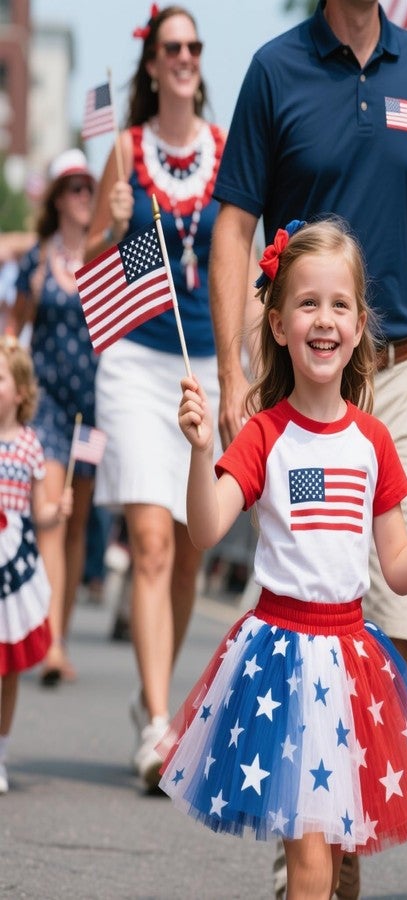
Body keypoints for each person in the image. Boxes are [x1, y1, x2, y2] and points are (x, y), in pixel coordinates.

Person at [159, 218, 407, 900]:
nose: (323, 320)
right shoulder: (266, 433)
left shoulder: (374, 442)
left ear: (360, 325)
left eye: (338, 306)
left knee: (325, 860)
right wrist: (197, 449)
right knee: (307, 862)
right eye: (306, 304)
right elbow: (207, 528)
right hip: (280, 659)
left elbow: (398, 566)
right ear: (276, 324)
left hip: (349, 660)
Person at [85, 4, 226, 792]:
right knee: (150, 541)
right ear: (151, 61)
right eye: (173, 45)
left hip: (202, 364)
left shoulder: (225, 147)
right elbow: (90, 262)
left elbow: (239, 249)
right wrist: (107, 231)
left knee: (189, 551)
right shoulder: (127, 150)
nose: (185, 56)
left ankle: (156, 704)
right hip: (137, 364)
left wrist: (241, 364)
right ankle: (158, 721)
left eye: (194, 46)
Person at [9, 148, 98, 687]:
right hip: (44, 408)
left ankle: (56, 628)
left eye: (88, 187)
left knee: (79, 524)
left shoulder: (104, 257)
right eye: (74, 188)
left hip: (91, 410)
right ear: (59, 198)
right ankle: (54, 643)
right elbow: (14, 332)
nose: (83, 196)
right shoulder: (37, 261)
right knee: (54, 515)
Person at [0, 337, 72, 794]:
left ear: (21, 392)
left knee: (7, 667)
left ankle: (1, 750)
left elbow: (38, 511)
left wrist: (57, 508)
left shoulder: (29, 446)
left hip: (13, 562)